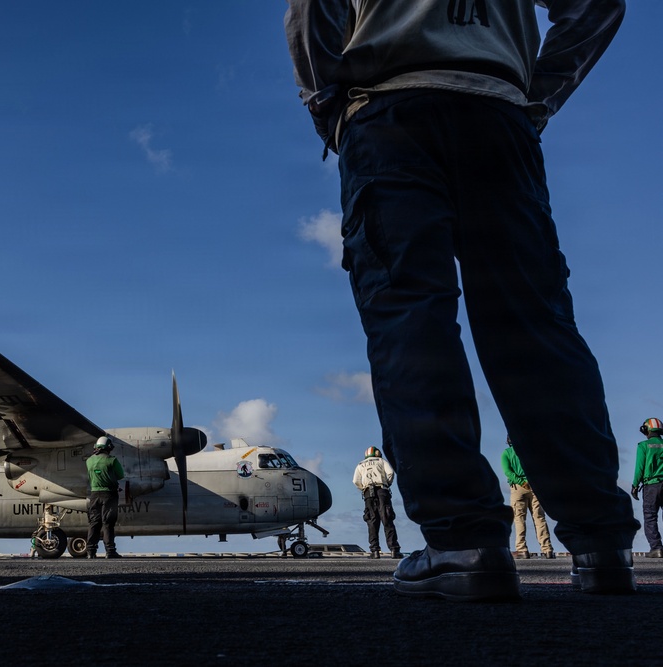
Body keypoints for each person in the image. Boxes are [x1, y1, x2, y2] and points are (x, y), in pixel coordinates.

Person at [285, 0, 639, 600]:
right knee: (536, 323)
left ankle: (463, 541)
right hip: (498, 112)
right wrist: (537, 96)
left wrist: (328, 102)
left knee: (410, 321)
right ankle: (601, 543)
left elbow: (311, 12)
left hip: (389, 109)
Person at [501, 436, 554, 559]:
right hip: (534, 486)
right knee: (539, 518)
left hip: (518, 488)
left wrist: (521, 481)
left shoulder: (506, 453)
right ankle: (547, 549)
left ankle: (522, 550)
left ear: (508, 441)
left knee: (519, 519)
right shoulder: (529, 451)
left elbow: (508, 472)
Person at [353, 447, 402, 559]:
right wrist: (387, 484)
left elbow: (356, 480)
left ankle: (375, 551)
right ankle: (394, 550)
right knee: (387, 519)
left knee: (372, 521)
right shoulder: (381, 461)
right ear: (377, 453)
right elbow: (390, 473)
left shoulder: (360, 464)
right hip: (382, 491)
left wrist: (363, 488)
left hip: (368, 494)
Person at [85, 436, 125, 558]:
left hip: (94, 495)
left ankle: (90, 552)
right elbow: (120, 475)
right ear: (109, 448)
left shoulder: (89, 461)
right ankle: (110, 551)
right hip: (109, 495)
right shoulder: (112, 460)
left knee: (94, 522)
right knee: (108, 523)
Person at [631, 419, 663, 558]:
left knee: (650, 517)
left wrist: (635, 485)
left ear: (646, 430)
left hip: (651, 486)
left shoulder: (643, 446)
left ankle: (657, 548)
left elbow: (639, 468)